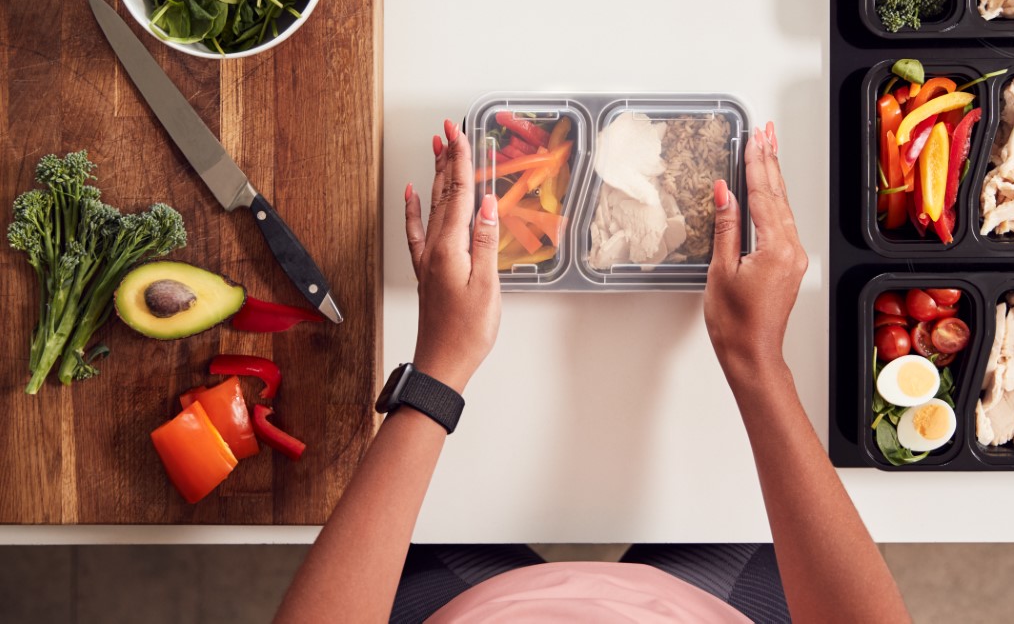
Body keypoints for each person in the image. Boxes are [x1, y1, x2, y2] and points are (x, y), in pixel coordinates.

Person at [275, 120, 910, 623]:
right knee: (723, 519)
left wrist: (440, 366)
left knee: (444, 529)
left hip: (472, 607)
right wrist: (757, 361)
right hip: (705, 606)